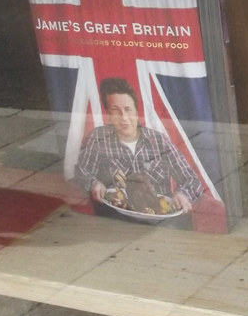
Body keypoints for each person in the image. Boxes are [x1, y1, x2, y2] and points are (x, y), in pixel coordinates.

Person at [75, 77, 203, 215]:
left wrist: (183, 194)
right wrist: (94, 183)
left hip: (160, 217)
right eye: (115, 110)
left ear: (137, 113)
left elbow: (192, 181)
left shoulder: (159, 141)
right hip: (115, 217)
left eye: (128, 109)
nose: (124, 117)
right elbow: (81, 173)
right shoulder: (98, 138)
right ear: (109, 115)